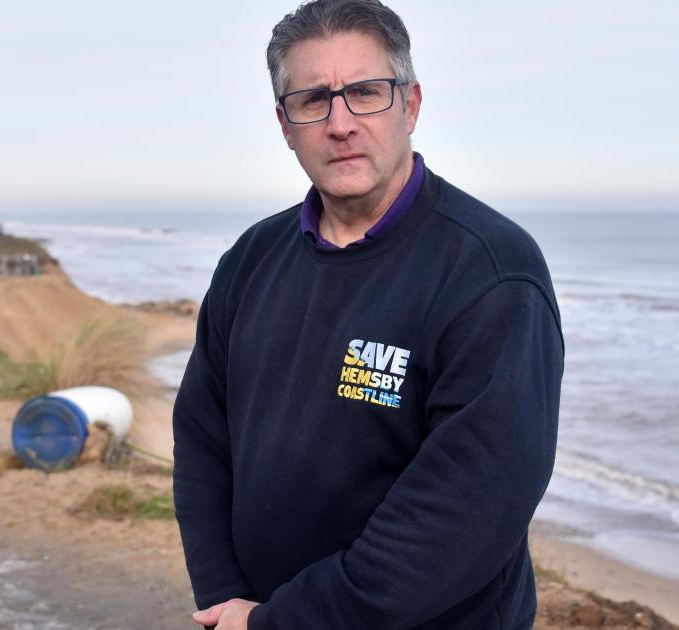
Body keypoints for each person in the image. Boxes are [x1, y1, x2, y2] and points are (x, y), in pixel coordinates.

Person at [172, 1, 565, 628]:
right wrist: (223, 597)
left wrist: (287, 621)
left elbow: (463, 511)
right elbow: (201, 437)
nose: (341, 123)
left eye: (366, 93)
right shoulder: (251, 260)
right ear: (284, 123)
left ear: (409, 105)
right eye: (313, 100)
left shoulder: (490, 273)